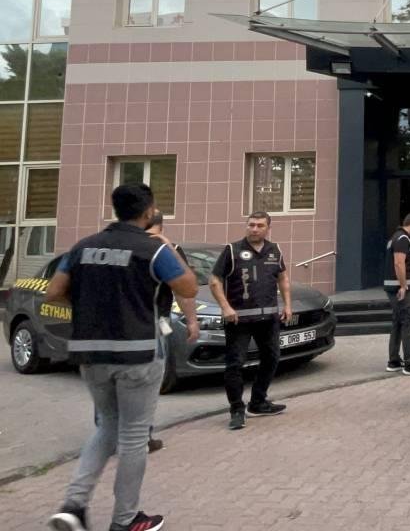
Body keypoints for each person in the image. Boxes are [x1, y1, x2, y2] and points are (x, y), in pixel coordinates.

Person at [47, 184, 197, 531]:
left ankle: (73, 506)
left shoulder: (83, 246)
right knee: (133, 436)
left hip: (90, 353)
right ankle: (125, 520)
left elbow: (54, 292)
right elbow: (188, 287)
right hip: (138, 353)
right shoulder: (152, 249)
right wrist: (166, 247)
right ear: (149, 212)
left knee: (107, 426)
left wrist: (93, 308)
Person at [209, 211, 292, 431]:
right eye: (251, 225)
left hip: (269, 318)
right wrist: (225, 307)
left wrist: (287, 305)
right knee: (235, 364)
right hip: (239, 320)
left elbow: (283, 278)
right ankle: (237, 410)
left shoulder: (275, 250)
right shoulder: (232, 250)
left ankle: (258, 402)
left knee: (272, 358)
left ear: (268, 228)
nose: (254, 229)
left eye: (260, 225)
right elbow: (214, 280)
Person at [142, 212, 198, 452]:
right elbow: (185, 290)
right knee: (147, 383)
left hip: (113, 328)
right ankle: (141, 436)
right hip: (152, 326)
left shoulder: (116, 246)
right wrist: (192, 321)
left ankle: (109, 434)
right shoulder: (164, 250)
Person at [384, 212, 410, 376]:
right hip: (401, 289)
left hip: (394, 287)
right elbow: (399, 263)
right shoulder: (403, 238)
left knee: (398, 323)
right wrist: (403, 285)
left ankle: (394, 360)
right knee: (409, 322)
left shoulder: (395, 237)